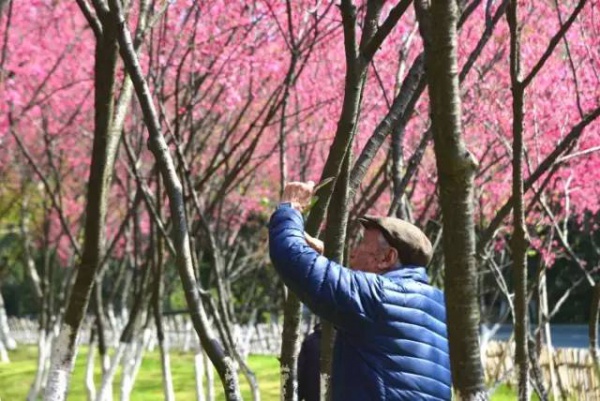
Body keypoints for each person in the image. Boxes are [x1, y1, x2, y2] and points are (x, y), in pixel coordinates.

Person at [269, 181, 451, 400]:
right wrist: (328, 265)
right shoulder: (439, 306)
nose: (353, 253)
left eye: (362, 244)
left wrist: (290, 208)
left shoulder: (377, 296)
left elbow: (292, 258)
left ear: (387, 257)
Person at [297, 323, 321, 401]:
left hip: (312, 391)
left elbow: (301, 370)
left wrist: (300, 395)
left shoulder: (309, 340)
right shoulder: (341, 342)